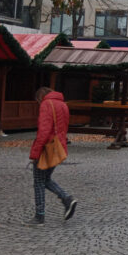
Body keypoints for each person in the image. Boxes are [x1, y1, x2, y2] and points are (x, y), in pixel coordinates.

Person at [26, 87, 77, 227]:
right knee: (45, 179)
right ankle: (67, 199)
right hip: (58, 147)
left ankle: (39, 216)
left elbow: (43, 131)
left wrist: (35, 153)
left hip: (46, 148)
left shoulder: (46, 104)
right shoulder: (63, 104)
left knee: (38, 181)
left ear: (40, 97)